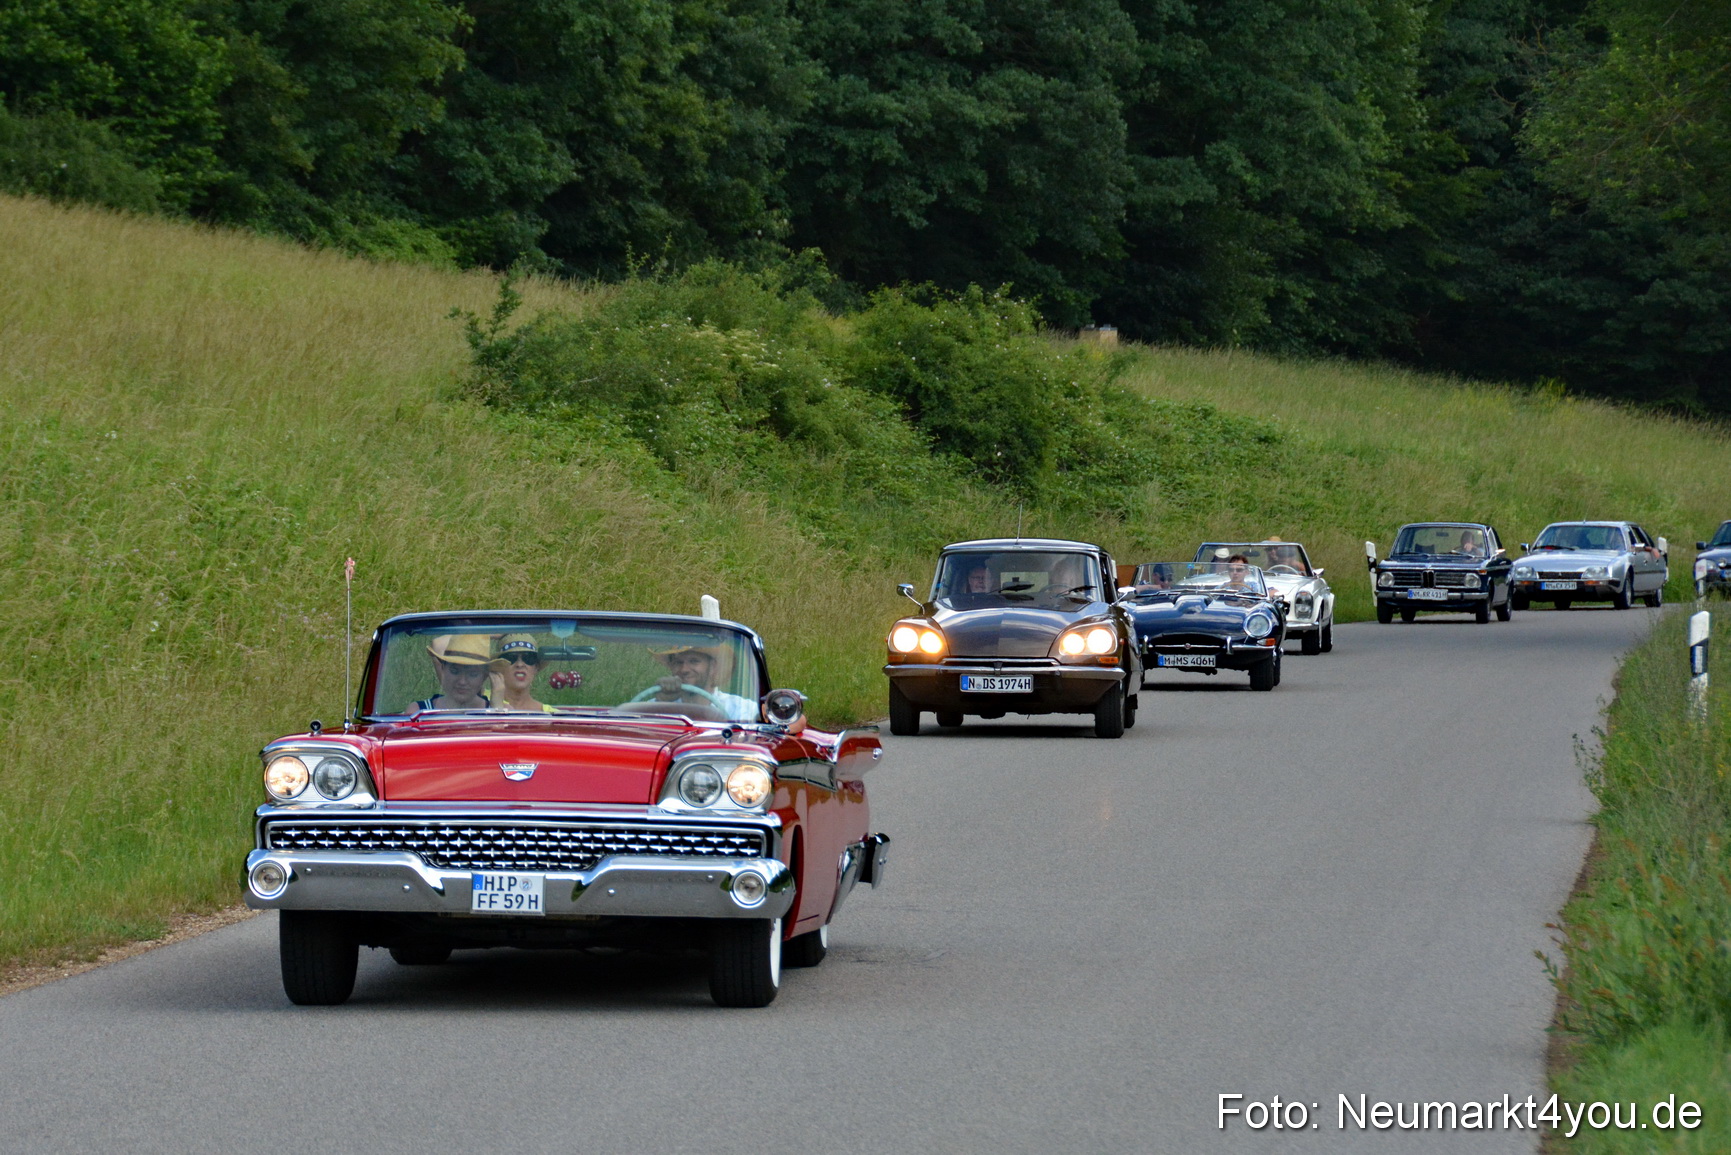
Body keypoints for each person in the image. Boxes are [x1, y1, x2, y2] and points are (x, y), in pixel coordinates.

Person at [648, 643, 757, 721]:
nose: (684, 669)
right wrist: (661, 705)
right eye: (678, 662)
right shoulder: (655, 707)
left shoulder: (741, 709)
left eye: (694, 661)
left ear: (713, 667)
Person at [412, 635, 494, 711]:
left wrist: (497, 706)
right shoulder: (418, 712)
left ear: (485, 676)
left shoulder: (497, 710)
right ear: (443, 669)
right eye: (455, 671)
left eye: (472, 674)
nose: (462, 681)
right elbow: (437, 644)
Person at [488, 633, 556, 713]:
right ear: (499, 666)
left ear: (536, 667)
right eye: (511, 658)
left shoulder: (551, 714)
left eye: (528, 658)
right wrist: (487, 634)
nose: (520, 664)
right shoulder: (482, 699)